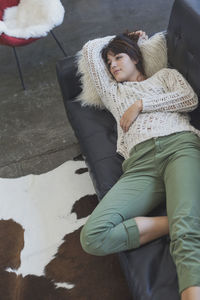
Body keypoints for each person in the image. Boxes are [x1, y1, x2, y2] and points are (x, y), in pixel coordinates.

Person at [80, 30, 200, 300]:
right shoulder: (113, 93)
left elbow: (189, 99)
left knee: (186, 237)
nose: (113, 65)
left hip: (178, 146)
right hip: (140, 166)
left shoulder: (165, 76)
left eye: (119, 57)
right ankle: (181, 221)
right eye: (109, 62)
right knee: (93, 237)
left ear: (136, 57)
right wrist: (124, 36)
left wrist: (140, 105)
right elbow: (89, 50)